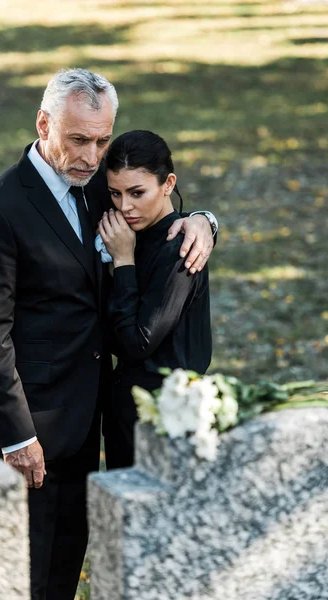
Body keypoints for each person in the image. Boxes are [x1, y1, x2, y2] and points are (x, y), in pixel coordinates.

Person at [0, 69, 217, 600]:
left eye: (103, 140)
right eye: (78, 140)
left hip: (89, 423)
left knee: (66, 568)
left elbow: (153, 194)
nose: (92, 155)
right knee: (21, 581)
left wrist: (203, 221)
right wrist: (16, 436)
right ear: (43, 124)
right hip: (31, 434)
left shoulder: (99, 182)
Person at [99, 130, 213, 469]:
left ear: (168, 184)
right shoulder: (128, 230)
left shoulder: (180, 248)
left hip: (167, 422)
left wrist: (123, 262)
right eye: (114, 194)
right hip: (126, 414)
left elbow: (138, 341)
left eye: (137, 192)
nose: (125, 206)